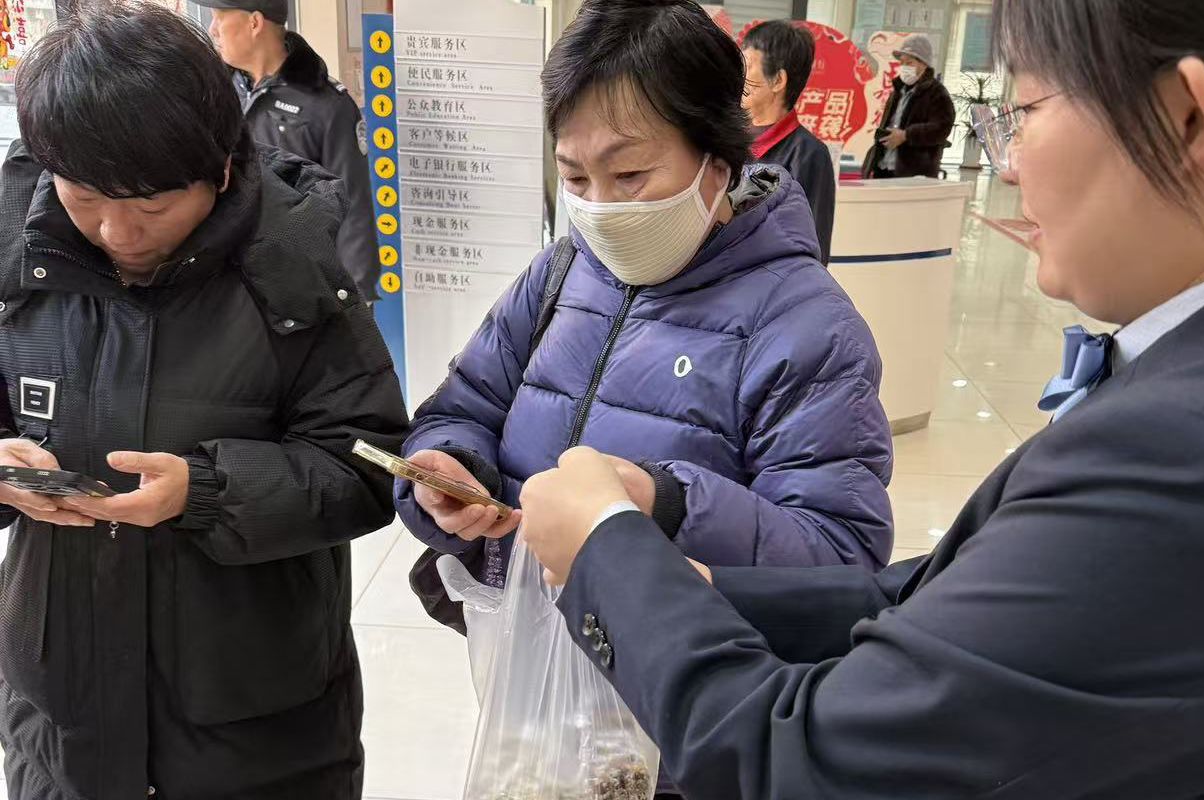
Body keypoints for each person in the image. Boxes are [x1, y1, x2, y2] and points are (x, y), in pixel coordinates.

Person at [518, 0, 1204, 797]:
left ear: (1187, 116)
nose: (1008, 166)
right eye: (576, 176)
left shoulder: (1191, 453)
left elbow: (805, 763)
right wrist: (703, 588)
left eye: (1024, 112)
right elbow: (938, 599)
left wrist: (609, 550)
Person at [395, 0, 892, 791]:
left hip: (687, 726)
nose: (600, 205)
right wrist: (448, 473)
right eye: (574, 177)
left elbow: (841, 564)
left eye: (630, 174)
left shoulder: (806, 326)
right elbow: (462, 409)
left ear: (716, 160)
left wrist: (664, 502)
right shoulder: (559, 274)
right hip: (537, 693)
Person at [0, 5, 407, 798]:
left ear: (220, 170)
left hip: (255, 728)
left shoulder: (293, 270)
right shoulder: (17, 255)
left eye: (152, 206)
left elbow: (370, 465)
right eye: (84, 198)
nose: (118, 231)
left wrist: (209, 491)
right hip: (61, 716)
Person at [194, 0, 380, 302]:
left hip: (299, 287)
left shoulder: (326, 105)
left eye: (220, 18)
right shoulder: (218, 92)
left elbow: (352, 204)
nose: (212, 29)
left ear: (254, 23)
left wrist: (358, 295)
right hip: (229, 284)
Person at [741, 20, 835, 264]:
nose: (738, 74)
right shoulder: (726, 138)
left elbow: (814, 247)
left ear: (777, 80)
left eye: (747, 65)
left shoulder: (809, 154)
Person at [862, 33, 955, 179]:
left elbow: (942, 127)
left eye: (910, 63)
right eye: (902, 63)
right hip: (884, 167)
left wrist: (907, 135)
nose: (905, 67)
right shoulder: (898, 91)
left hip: (913, 172)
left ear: (924, 64)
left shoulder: (937, 93)